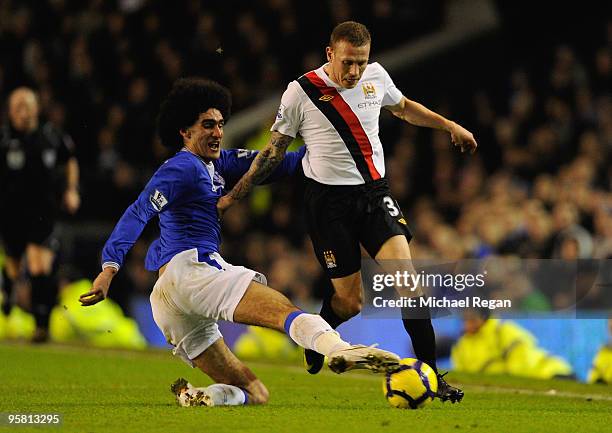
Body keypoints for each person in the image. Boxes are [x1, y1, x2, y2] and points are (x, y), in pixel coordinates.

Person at [79, 77, 400, 407]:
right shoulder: (180, 168)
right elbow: (140, 210)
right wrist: (110, 266)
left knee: (255, 393)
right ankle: (340, 350)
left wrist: (330, 137)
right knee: (284, 313)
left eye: (220, 124)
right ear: (184, 131)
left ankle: (200, 396)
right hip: (192, 271)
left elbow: (282, 162)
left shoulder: (218, 164)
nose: (217, 132)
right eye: (207, 125)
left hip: (168, 300)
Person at [218, 21, 478, 403]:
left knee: (409, 286)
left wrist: (449, 125)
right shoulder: (301, 92)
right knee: (350, 302)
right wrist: (234, 196)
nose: (354, 71)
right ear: (330, 54)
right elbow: (273, 152)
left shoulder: (376, 76)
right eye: (347, 63)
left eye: (360, 62)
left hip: (374, 196)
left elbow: (403, 108)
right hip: (328, 205)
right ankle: (318, 334)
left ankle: (433, 377)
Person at [0, 87, 80, 343]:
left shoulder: (51, 136)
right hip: (9, 212)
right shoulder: (3, 138)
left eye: (27, 106)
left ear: (36, 109)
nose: (23, 113)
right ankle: (8, 285)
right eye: (18, 107)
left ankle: (41, 325)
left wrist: (70, 190)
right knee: (14, 265)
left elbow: (69, 159)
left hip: (41, 211)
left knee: (39, 264)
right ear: (10, 112)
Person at [452, 309, 574, 379]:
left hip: (550, 373)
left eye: (472, 319)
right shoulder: (461, 346)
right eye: (465, 320)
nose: (468, 324)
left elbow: (520, 368)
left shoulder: (503, 330)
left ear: (484, 317)